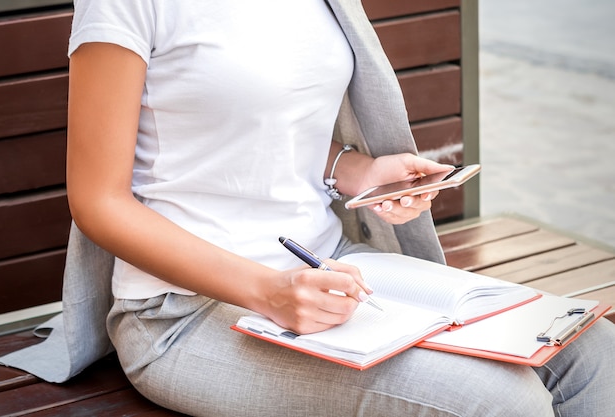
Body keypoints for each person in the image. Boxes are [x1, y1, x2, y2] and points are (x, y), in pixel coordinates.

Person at [62, 0, 615, 416]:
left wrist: (360, 173)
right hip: (185, 313)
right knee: (499, 402)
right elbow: (98, 201)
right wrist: (267, 292)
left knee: (592, 347)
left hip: (332, 266)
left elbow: (267, 134)